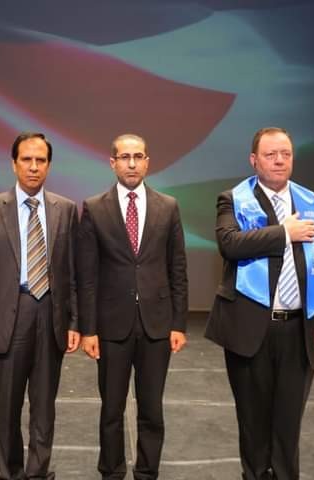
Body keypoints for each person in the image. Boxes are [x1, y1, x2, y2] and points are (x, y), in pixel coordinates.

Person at [205, 127, 314, 480]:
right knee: (253, 424)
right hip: (251, 328)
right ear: (254, 160)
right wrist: (284, 233)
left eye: (286, 154)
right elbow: (229, 244)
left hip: (298, 328)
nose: (280, 160)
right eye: (270, 154)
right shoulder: (232, 199)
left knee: (288, 425)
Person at [77, 133, 188, 480]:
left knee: (152, 409)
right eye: (124, 157)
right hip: (111, 325)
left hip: (157, 324)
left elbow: (178, 269)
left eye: (138, 156)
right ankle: (111, 473)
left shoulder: (168, 206)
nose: (132, 163)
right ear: (112, 163)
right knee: (111, 409)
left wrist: (178, 324)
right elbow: (87, 275)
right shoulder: (94, 208)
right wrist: (88, 329)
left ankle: (147, 473)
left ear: (147, 162)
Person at [0, 132, 80, 480]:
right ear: (13, 163)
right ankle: (10, 473)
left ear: (49, 165)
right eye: (27, 160)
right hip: (10, 316)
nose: (34, 167)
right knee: (7, 405)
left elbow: (72, 272)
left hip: (51, 313)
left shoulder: (66, 209)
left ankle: (38, 473)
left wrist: (74, 322)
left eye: (41, 160)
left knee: (44, 405)